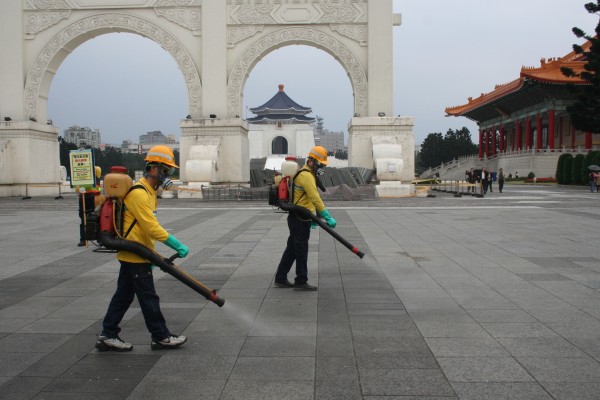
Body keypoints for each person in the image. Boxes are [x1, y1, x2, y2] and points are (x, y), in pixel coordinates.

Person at [96, 145, 190, 352]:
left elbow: (144, 228)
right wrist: (177, 245)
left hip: (137, 253)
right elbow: (151, 228)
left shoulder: (149, 192)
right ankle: (161, 336)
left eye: (171, 171)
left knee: (124, 296)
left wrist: (152, 256)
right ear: (153, 168)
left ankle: (107, 334)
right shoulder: (139, 193)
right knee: (148, 297)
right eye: (167, 170)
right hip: (135, 255)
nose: (168, 175)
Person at [274, 146, 336, 291]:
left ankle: (280, 278)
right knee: (301, 249)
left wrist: (313, 218)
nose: (322, 168)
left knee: (292, 249)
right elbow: (315, 199)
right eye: (321, 164)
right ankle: (301, 281)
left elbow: (308, 200)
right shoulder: (306, 176)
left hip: (300, 217)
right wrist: (327, 216)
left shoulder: (305, 173)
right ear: (313, 162)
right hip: (300, 218)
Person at [77, 166, 103, 247]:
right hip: (83, 198)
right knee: (83, 219)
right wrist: (79, 190)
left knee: (95, 218)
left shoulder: (96, 173)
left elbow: (98, 189)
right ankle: (83, 239)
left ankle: (99, 238)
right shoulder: (80, 174)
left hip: (93, 198)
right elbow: (77, 188)